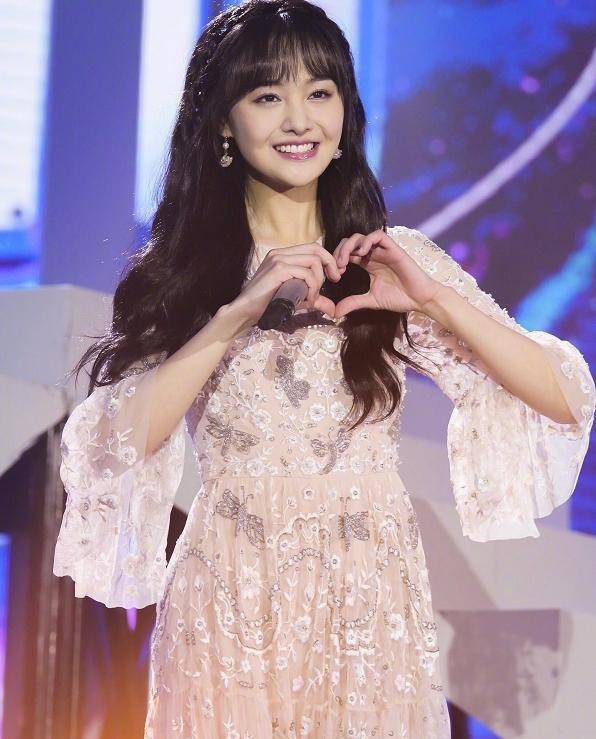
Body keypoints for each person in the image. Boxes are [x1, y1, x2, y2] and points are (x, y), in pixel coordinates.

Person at [52, 1, 595, 736]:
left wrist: (433, 300)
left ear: (344, 111)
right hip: (231, 598)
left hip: (368, 606)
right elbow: (113, 447)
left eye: (319, 91)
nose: (299, 119)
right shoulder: (188, 273)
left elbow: (563, 398)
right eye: (267, 96)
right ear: (222, 123)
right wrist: (236, 313)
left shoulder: (388, 260)